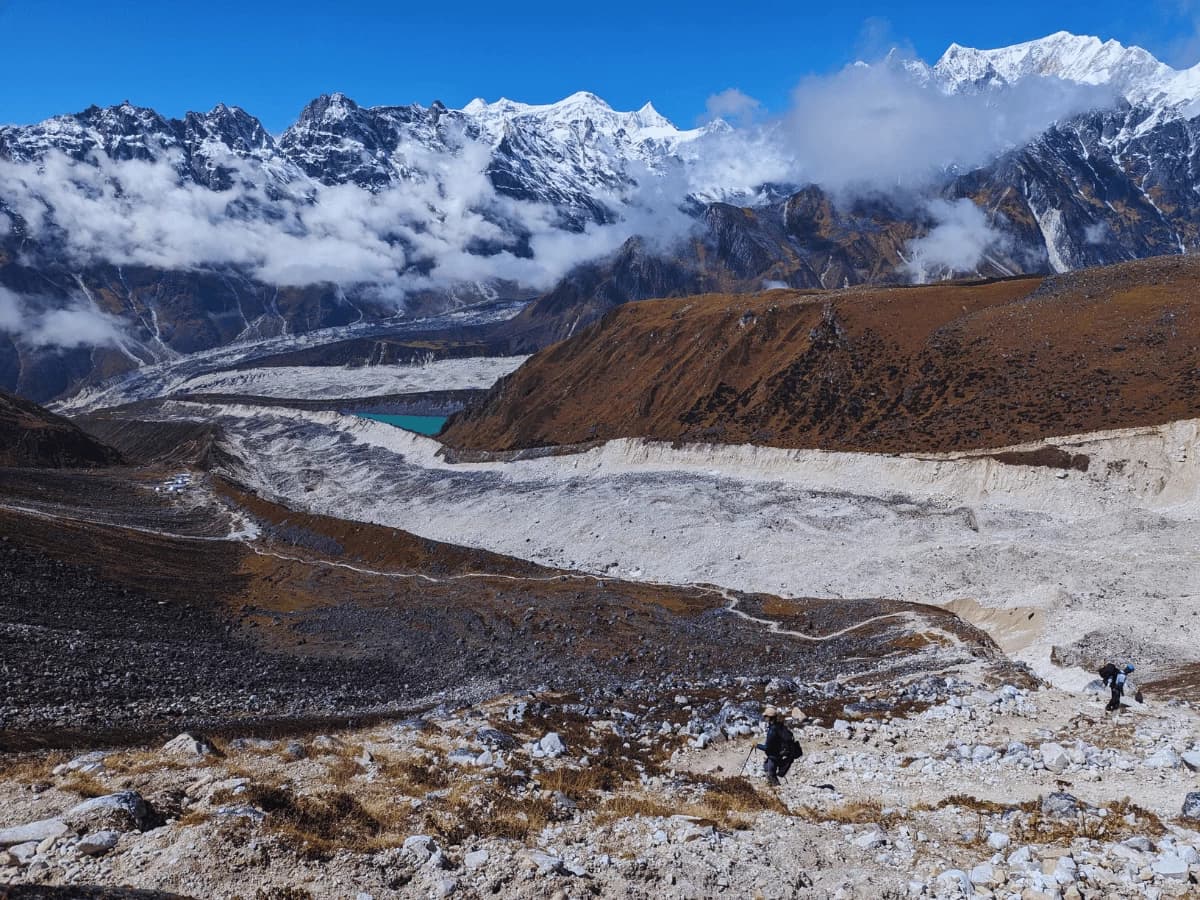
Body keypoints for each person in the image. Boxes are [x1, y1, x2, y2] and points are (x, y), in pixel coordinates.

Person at [758, 706, 802, 785]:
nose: (764, 717)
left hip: (773, 756)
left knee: (771, 774)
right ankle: (773, 788)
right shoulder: (779, 726)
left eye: (765, 716)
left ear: (769, 718)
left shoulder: (772, 731)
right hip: (780, 754)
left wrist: (756, 745)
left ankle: (777, 789)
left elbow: (767, 748)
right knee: (766, 767)